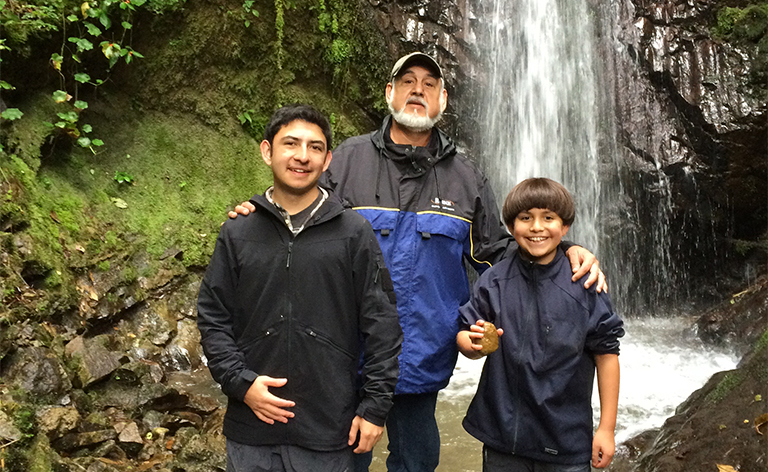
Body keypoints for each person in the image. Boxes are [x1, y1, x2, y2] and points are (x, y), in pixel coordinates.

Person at [229, 53, 606, 472]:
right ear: (389, 93)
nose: (417, 91)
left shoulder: (466, 177)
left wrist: (567, 251)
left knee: (416, 463)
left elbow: (499, 254)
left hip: (423, 354)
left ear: (442, 101)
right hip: (342, 355)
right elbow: (298, 220)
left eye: (429, 85)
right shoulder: (348, 162)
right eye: (407, 81)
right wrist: (257, 215)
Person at [198, 104, 403, 472]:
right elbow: (213, 318)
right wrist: (241, 384)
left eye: (315, 147)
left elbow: (382, 328)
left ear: (327, 160)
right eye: (291, 144)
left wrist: (374, 409)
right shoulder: (238, 231)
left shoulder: (353, 233)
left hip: (327, 430)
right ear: (267, 151)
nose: (302, 156)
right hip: (251, 430)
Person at [457, 177, 624, 471]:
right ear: (510, 227)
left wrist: (606, 429)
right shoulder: (495, 280)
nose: (536, 227)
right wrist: (472, 345)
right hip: (504, 438)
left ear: (565, 226)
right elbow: (465, 332)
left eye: (548, 218)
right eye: (525, 218)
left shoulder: (585, 284)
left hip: (565, 440)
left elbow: (607, 354)